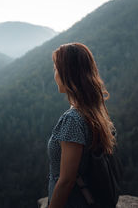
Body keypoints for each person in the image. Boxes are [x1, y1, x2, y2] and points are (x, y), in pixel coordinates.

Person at [47, 43, 117, 208]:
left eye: (56, 69)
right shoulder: (94, 112)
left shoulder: (72, 119)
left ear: (68, 74)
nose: (54, 74)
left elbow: (66, 181)